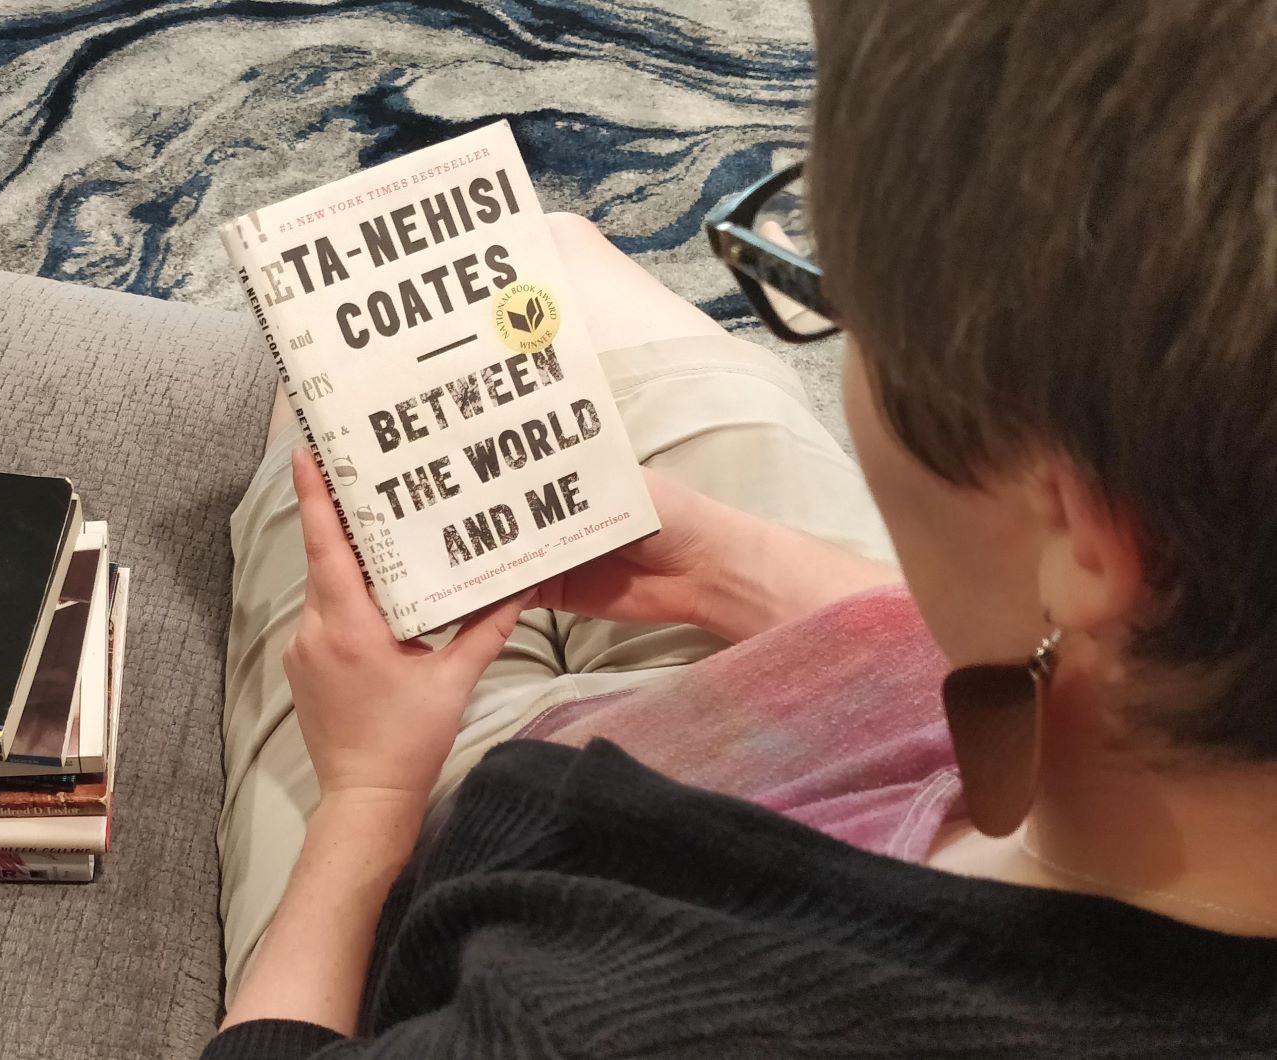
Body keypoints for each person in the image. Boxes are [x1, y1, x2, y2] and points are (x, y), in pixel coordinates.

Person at [209, 1, 1277, 1055]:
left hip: (442, 835)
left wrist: (365, 800)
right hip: (865, 663)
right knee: (550, 255)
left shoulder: (570, 1020)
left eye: (846, 301)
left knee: (327, 382)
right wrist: (737, 572)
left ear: (1086, 533)